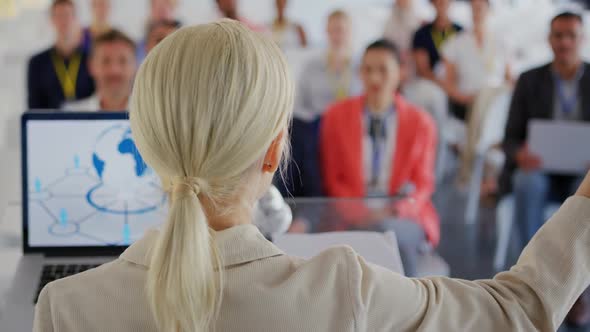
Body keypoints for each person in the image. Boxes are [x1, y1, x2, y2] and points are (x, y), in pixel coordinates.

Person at [32, 20, 590, 332]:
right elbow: (517, 310)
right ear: (274, 152)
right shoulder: (341, 289)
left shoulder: (63, 309)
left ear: (146, 149)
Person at [320, 39, 438, 277]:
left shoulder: (420, 122)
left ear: (401, 72)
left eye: (383, 70)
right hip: (351, 215)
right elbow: (334, 179)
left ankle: (408, 307)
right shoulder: (335, 116)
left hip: (403, 215)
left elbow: (423, 184)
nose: (374, 78)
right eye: (367, 70)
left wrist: (393, 212)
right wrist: (360, 213)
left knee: (388, 234)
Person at [501, 12, 590, 326]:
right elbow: (509, 139)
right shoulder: (529, 79)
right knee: (527, 183)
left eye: (571, 35)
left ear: (582, 39)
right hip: (539, 170)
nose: (564, 42)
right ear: (549, 39)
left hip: (582, 174)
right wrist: (520, 153)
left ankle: (578, 288)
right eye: (558, 35)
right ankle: (533, 281)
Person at [277, 10, 358, 197]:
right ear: (327, 32)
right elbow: (299, 106)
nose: (338, 35)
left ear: (350, 33)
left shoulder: (360, 67)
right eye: (334, 30)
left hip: (350, 125)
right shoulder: (312, 66)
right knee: (295, 130)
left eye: (342, 30)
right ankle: (299, 200)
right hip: (318, 125)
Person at [441, 0, 512, 189]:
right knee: (481, 99)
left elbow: (509, 79)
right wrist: (462, 97)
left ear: (489, 11)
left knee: (488, 95)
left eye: (481, 8)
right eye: (473, 8)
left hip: (497, 101)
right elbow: (448, 83)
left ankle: (468, 169)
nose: (477, 12)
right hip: (468, 102)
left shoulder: (501, 42)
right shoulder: (456, 43)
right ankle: (487, 177)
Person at [27, 0, 95, 109]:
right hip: (49, 123)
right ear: (51, 20)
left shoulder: (92, 59)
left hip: (86, 122)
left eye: (67, 15)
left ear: (76, 19)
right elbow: (33, 107)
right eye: (59, 16)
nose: (64, 21)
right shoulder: (37, 63)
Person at [64, 29, 136, 112]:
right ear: (91, 66)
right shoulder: (70, 114)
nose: (114, 70)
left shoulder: (151, 114)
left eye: (123, 61)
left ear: (135, 65)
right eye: (105, 61)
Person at [412, 0, 462, 84]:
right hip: (431, 86)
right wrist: (444, 86)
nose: (442, 2)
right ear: (432, 2)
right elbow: (423, 70)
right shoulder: (421, 34)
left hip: (457, 83)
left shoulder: (461, 32)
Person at [383, 0, 422, 65]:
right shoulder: (390, 21)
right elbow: (386, 42)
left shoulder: (418, 20)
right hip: (394, 60)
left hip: (413, 62)